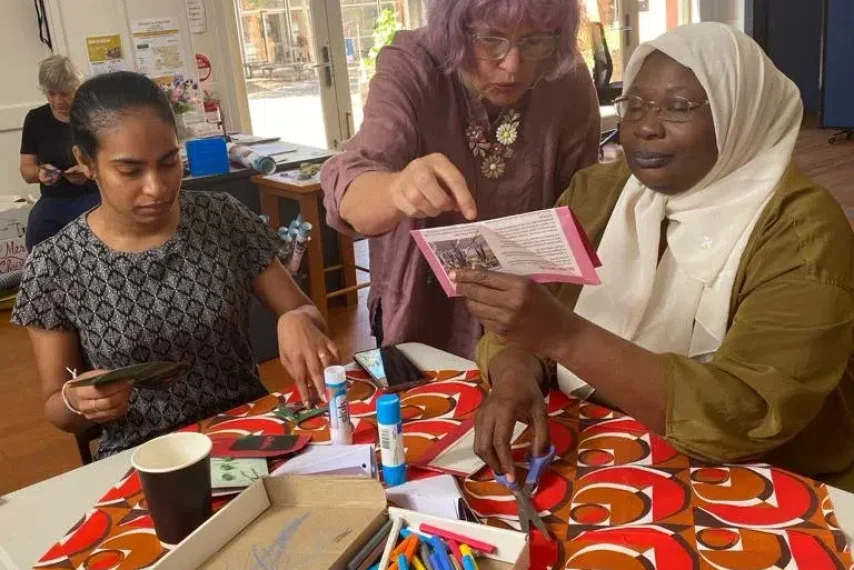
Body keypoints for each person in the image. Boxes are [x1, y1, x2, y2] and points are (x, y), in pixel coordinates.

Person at [456, 24, 854, 488]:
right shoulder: (601, 192)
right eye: (635, 105)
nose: (645, 126)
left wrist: (562, 335)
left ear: (738, 114)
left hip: (768, 483)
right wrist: (513, 375)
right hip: (608, 453)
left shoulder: (803, 237)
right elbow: (527, 315)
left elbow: (745, 415)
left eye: (678, 108)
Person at [12, 72, 338, 458]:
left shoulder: (222, 218)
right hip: (145, 458)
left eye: (169, 163)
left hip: (247, 433)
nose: (157, 187)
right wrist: (78, 402)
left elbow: (303, 311)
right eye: (130, 171)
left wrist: (297, 318)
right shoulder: (55, 264)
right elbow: (56, 406)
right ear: (86, 162)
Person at [321, 0, 600, 358]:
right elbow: (352, 193)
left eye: (534, 41)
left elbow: (584, 206)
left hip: (531, 313)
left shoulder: (566, 78)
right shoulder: (412, 65)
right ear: (453, 31)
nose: (513, 65)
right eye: (490, 39)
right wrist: (396, 188)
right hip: (425, 312)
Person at [19, 55, 101, 249]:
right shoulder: (35, 119)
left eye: (64, 94)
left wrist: (89, 172)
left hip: (93, 194)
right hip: (53, 198)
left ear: (77, 88)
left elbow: (113, 163)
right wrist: (40, 173)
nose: (57, 101)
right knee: (39, 233)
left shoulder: (94, 116)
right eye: (50, 93)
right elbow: (26, 170)